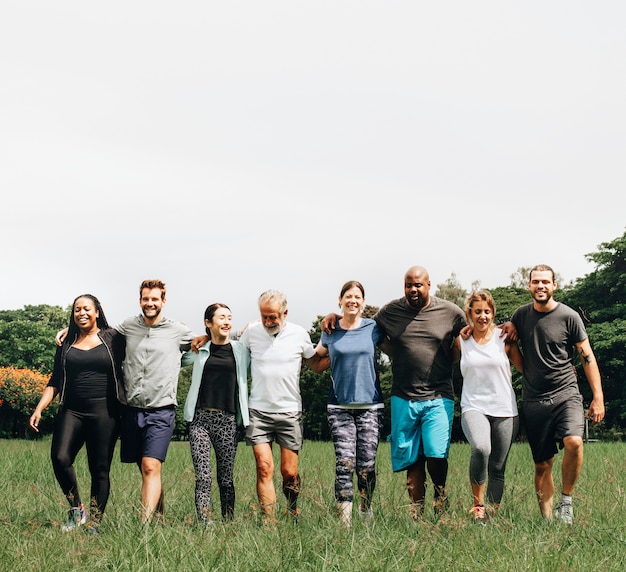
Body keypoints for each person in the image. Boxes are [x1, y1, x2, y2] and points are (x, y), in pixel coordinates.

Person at [322, 266, 466, 519]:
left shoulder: (450, 312)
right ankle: (416, 514)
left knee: (436, 453)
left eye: (418, 285)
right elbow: (359, 327)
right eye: (408, 285)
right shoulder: (390, 312)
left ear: (428, 285)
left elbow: (468, 336)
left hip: (439, 394)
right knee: (411, 459)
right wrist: (334, 315)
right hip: (402, 394)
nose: (413, 289)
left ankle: (440, 496)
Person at [56, 279, 195, 523]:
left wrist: (242, 330)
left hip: (161, 409)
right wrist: (72, 330)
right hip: (131, 409)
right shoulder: (128, 326)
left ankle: (144, 529)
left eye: (155, 299)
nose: (149, 303)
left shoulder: (178, 331)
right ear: (140, 300)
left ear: (164, 301)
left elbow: (203, 344)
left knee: (151, 467)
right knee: (146, 468)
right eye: (145, 299)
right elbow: (98, 331)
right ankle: (159, 516)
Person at [194, 290, 328, 523]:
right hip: (258, 412)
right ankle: (269, 522)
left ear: (285, 313)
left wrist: (340, 347)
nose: (267, 322)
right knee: (264, 467)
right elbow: (227, 346)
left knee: (289, 473)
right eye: (264, 316)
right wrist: (206, 336)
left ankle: (293, 508)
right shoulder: (252, 333)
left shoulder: (299, 334)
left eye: (273, 317)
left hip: (290, 411)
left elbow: (315, 364)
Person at [505, 264, 604, 524]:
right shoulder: (520, 315)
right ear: (529, 286)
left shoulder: (569, 316)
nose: (540, 286)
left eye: (545, 282)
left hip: (566, 393)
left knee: (574, 442)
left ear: (554, 285)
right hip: (534, 400)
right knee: (542, 464)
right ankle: (548, 522)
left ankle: (566, 503)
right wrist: (526, 370)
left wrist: (598, 397)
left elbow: (587, 357)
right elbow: (508, 342)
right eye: (536, 282)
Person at [30, 294, 125, 533]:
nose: (81, 313)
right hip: (71, 410)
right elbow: (55, 380)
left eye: (86, 309)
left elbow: (144, 336)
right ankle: (76, 510)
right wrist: (40, 408)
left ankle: (94, 523)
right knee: (60, 458)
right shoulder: (67, 342)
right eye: (77, 310)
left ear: (97, 312)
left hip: (105, 411)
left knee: (99, 469)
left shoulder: (114, 338)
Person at [313, 281, 385, 526]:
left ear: (363, 302)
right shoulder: (330, 330)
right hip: (339, 407)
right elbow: (315, 359)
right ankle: (344, 522)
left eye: (357, 297)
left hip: (371, 407)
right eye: (348, 296)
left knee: (367, 465)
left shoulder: (373, 328)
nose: (353, 300)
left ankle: (366, 511)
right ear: (340, 300)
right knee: (344, 463)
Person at [453, 290, 523, 523]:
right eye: (477, 312)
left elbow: (527, 370)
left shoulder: (505, 338)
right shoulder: (461, 340)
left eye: (487, 311)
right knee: (481, 448)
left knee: (498, 467)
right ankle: (478, 506)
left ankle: (491, 516)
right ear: (469, 314)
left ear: (493, 313)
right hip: (474, 406)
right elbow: (442, 363)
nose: (482, 316)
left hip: (505, 409)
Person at [182, 303, 250, 524]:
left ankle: (228, 522)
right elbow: (176, 359)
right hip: (200, 420)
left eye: (229, 317)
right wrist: (198, 338)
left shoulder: (240, 351)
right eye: (221, 317)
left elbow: (256, 329)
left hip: (228, 420)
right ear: (208, 323)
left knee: (226, 478)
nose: (227, 321)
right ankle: (206, 524)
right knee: (203, 477)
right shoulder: (199, 351)